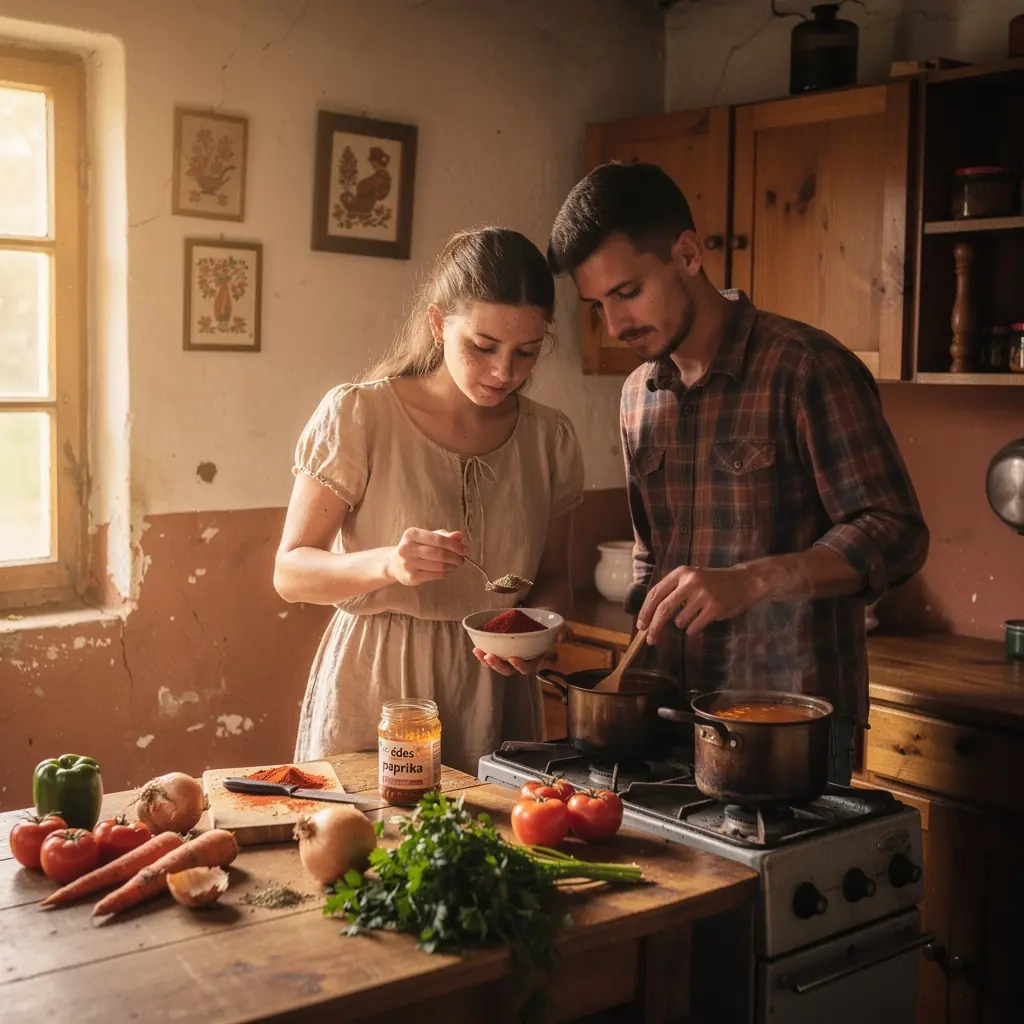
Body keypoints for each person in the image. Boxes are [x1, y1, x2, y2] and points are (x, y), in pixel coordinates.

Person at [547, 163, 929, 785]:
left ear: (689, 254)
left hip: (791, 723)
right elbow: (652, 556)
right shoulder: (638, 395)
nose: (614, 326)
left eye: (627, 292)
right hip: (673, 715)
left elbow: (898, 531)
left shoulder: (806, 367)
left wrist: (749, 582)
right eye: (596, 306)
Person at [275, 227, 584, 775]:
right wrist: (388, 563)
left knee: (491, 853)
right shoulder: (360, 415)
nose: (503, 373)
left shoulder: (548, 438)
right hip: (378, 682)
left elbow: (555, 577)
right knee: (364, 851)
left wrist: (540, 634)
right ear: (439, 325)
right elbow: (292, 572)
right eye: (483, 347)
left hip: (496, 690)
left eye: (526, 353)